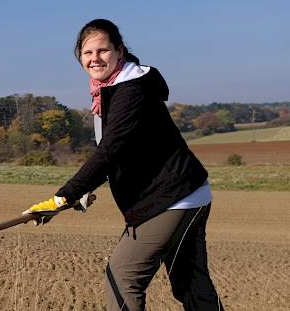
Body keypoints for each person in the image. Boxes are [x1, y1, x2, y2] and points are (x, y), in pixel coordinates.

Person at [23, 19, 223, 310]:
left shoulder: (130, 90)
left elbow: (110, 151)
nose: (95, 58)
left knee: (122, 277)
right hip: (186, 193)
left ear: (119, 51)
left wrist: (61, 198)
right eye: (87, 53)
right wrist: (78, 194)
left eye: (102, 50)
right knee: (191, 283)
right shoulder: (112, 89)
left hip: (170, 198)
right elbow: (125, 153)